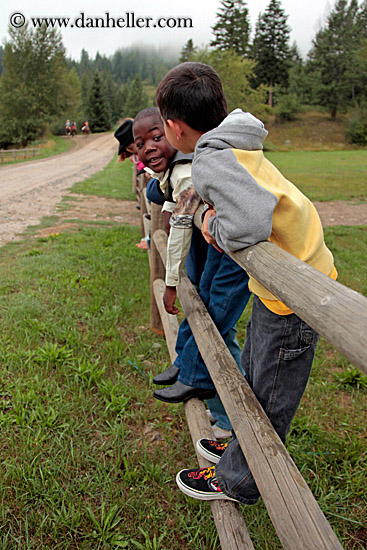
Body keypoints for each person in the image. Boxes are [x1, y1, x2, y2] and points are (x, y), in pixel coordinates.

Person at [155, 62, 338, 503]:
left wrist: (212, 223)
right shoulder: (234, 141)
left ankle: (240, 479)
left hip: (296, 290)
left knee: (271, 396)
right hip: (283, 281)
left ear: (175, 127)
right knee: (255, 377)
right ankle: (241, 445)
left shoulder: (211, 160)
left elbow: (248, 223)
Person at [133, 107, 251, 436]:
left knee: (212, 324)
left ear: (175, 133)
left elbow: (181, 226)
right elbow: (168, 199)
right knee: (202, 314)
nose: (149, 148)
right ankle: (187, 366)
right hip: (221, 249)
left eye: (158, 137)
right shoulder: (177, 170)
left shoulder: (185, 172)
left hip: (236, 252)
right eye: (140, 145)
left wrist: (171, 283)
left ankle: (198, 382)